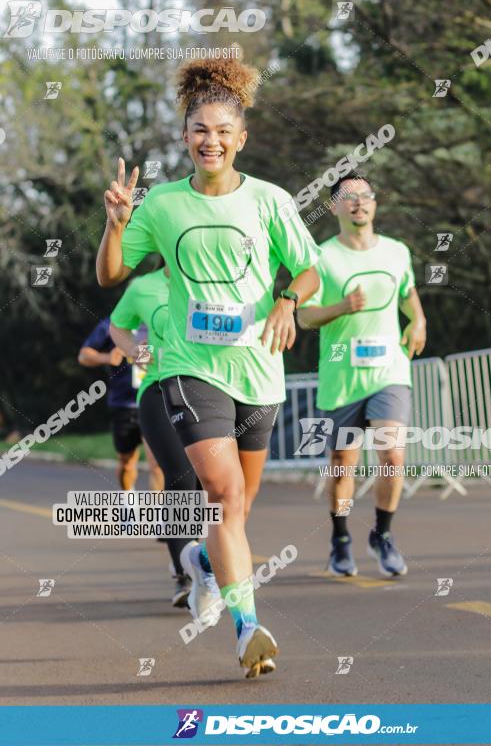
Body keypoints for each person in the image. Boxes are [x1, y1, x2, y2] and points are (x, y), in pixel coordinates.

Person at [96, 57, 321, 677]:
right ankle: (248, 627)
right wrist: (115, 226)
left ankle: (197, 560)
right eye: (199, 128)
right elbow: (110, 274)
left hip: (259, 371)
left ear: (240, 138)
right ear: (185, 136)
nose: (210, 139)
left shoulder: (270, 201)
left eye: (223, 129)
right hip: (189, 368)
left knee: (239, 508)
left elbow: (308, 268)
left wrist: (287, 300)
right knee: (222, 495)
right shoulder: (162, 205)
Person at [297, 172, 427, 578]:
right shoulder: (320, 258)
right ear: (334, 206)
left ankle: (382, 535)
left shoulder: (397, 252)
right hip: (342, 378)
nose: (359, 203)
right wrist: (342, 308)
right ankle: (340, 539)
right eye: (348, 197)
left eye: (366, 196)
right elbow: (303, 315)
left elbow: (407, 294)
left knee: (392, 455)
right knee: (342, 464)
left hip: (390, 371)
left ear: (375, 204)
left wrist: (418, 321)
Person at [109, 265, 202, 608]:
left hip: (209, 390)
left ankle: (195, 561)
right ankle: (183, 573)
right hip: (159, 389)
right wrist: (141, 354)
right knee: (180, 476)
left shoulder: (214, 279)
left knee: (207, 485)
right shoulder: (143, 287)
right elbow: (117, 327)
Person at [78, 317, 164, 493]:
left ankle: (159, 519)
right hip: (123, 404)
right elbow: (84, 355)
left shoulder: (159, 318)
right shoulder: (113, 324)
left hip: (154, 400)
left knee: (157, 462)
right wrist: (107, 357)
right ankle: (128, 501)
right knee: (127, 461)